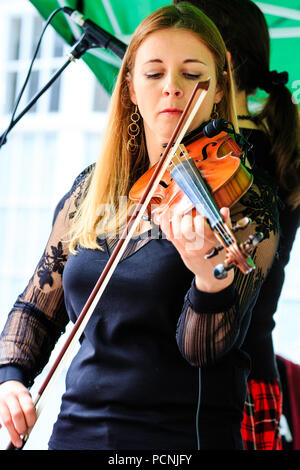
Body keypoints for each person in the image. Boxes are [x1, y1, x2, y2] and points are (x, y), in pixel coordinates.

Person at [0, 3, 279, 450]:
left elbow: (204, 351)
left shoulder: (244, 196)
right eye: (154, 73)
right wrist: (10, 381)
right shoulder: (92, 191)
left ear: (217, 86)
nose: (172, 88)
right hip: (78, 432)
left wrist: (209, 281)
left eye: (191, 74)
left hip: (179, 440)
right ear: (129, 86)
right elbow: (36, 308)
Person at [174, 0, 300, 450]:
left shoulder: (233, 161)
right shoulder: (280, 147)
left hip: (210, 389)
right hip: (256, 377)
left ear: (220, 63)